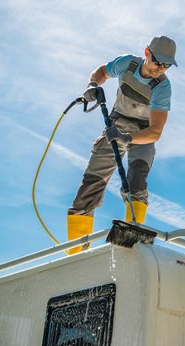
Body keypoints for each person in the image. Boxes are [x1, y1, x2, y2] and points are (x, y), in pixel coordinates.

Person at [66, 35, 177, 254]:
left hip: (142, 134)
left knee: (137, 179)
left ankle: (132, 237)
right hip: (115, 125)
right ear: (147, 53)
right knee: (90, 185)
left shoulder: (162, 88)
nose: (161, 68)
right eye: (158, 62)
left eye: (167, 65)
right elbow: (101, 72)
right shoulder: (127, 64)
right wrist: (92, 85)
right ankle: (75, 252)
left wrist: (127, 138)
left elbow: (155, 131)